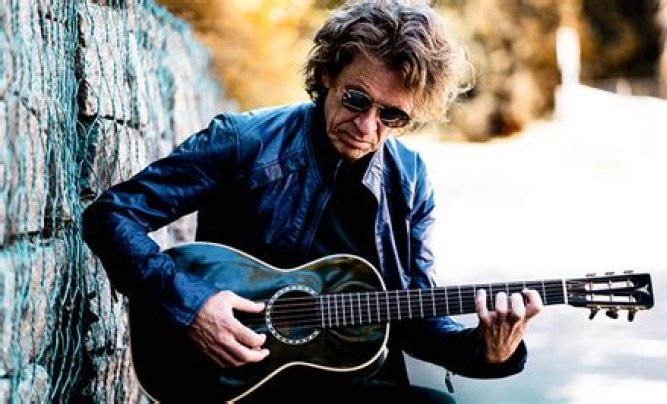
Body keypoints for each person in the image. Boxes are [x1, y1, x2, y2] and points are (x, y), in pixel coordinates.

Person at [82, 1, 542, 402]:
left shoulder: (411, 180)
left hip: (352, 379)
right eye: (356, 99)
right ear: (327, 74)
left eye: (392, 115)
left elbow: (416, 318)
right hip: (238, 378)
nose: (367, 126)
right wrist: (194, 305)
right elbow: (111, 216)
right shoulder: (244, 142)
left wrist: (488, 351)